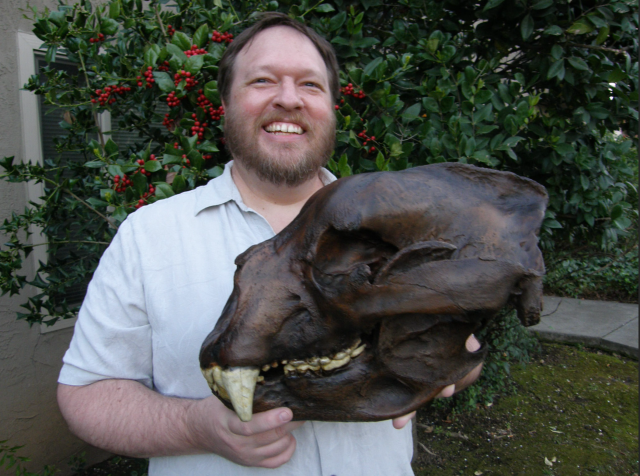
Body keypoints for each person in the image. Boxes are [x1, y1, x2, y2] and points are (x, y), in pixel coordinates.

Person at [57, 13, 482, 475]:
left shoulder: (401, 232)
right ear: (225, 102)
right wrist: (197, 428)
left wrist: (452, 363)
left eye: (310, 85)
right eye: (262, 81)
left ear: (333, 107)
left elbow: (463, 351)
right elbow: (86, 394)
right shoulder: (149, 236)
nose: (288, 99)